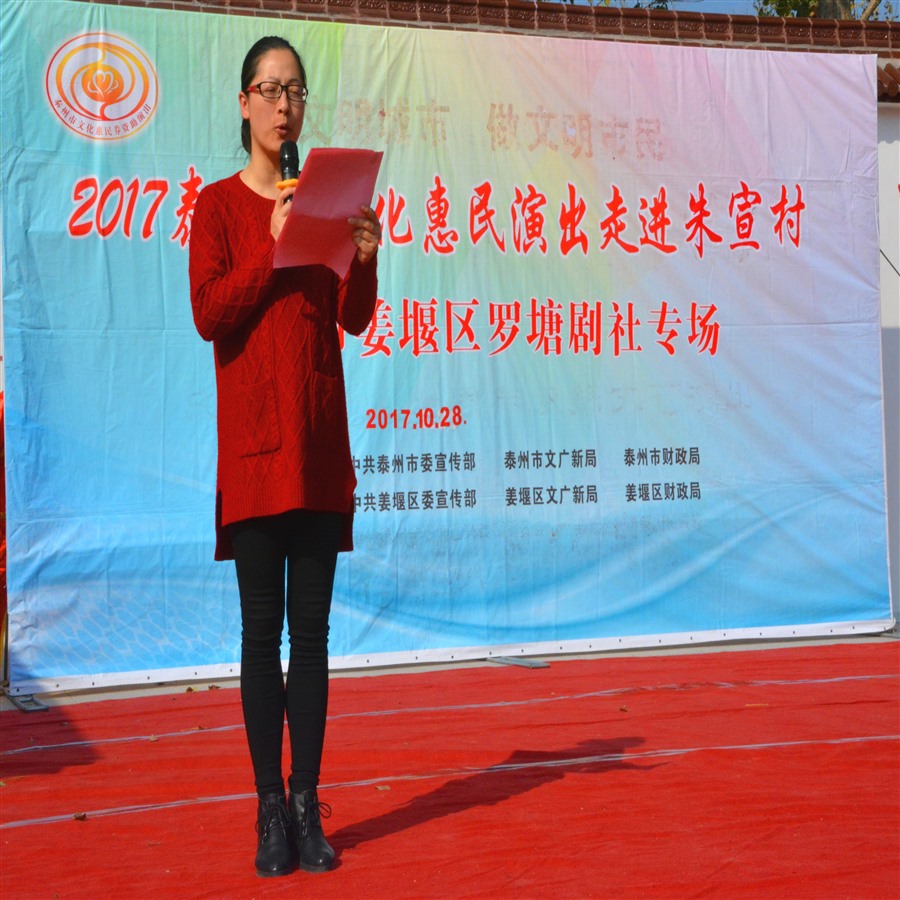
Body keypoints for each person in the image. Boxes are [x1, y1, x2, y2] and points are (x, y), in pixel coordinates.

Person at [188, 35, 380, 878]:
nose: (284, 105)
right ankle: (269, 807)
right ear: (243, 105)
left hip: (319, 445)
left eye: (295, 91)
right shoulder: (218, 208)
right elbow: (209, 314)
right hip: (257, 451)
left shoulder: (325, 204)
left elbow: (353, 317)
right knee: (261, 634)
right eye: (269, 90)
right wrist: (271, 242)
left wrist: (364, 258)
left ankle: (308, 803)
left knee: (314, 636)